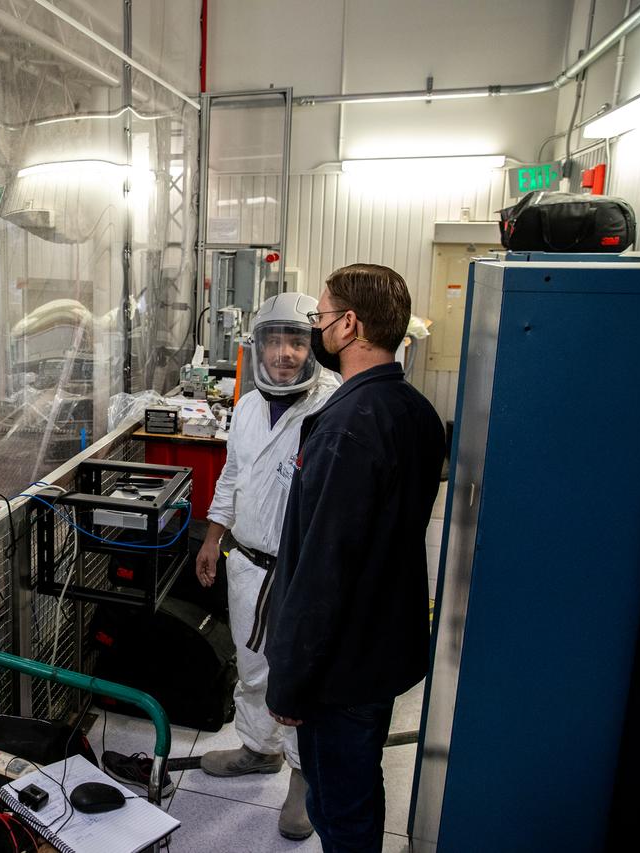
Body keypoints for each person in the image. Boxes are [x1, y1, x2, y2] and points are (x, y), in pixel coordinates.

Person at [264, 264, 445, 853]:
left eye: (319, 318)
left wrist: (289, 684)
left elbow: (322, 573)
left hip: (341, 665)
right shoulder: (415, 411)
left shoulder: (348, 426)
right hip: (383, 644)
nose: (315, 330)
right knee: (359, 787)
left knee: (337, 806)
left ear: (349, 324)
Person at [194, 292, 339, 841]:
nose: (284, 354)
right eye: (274, 341)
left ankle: (301, 781)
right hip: (248, 564)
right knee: (252, 665)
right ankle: (258, 750)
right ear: (256, 347)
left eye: (297, 341)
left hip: (301, 572)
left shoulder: (332, 404)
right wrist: (213, 537)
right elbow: (232, 476)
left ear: (313, 345)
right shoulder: (251, 404)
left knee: (300, 679)